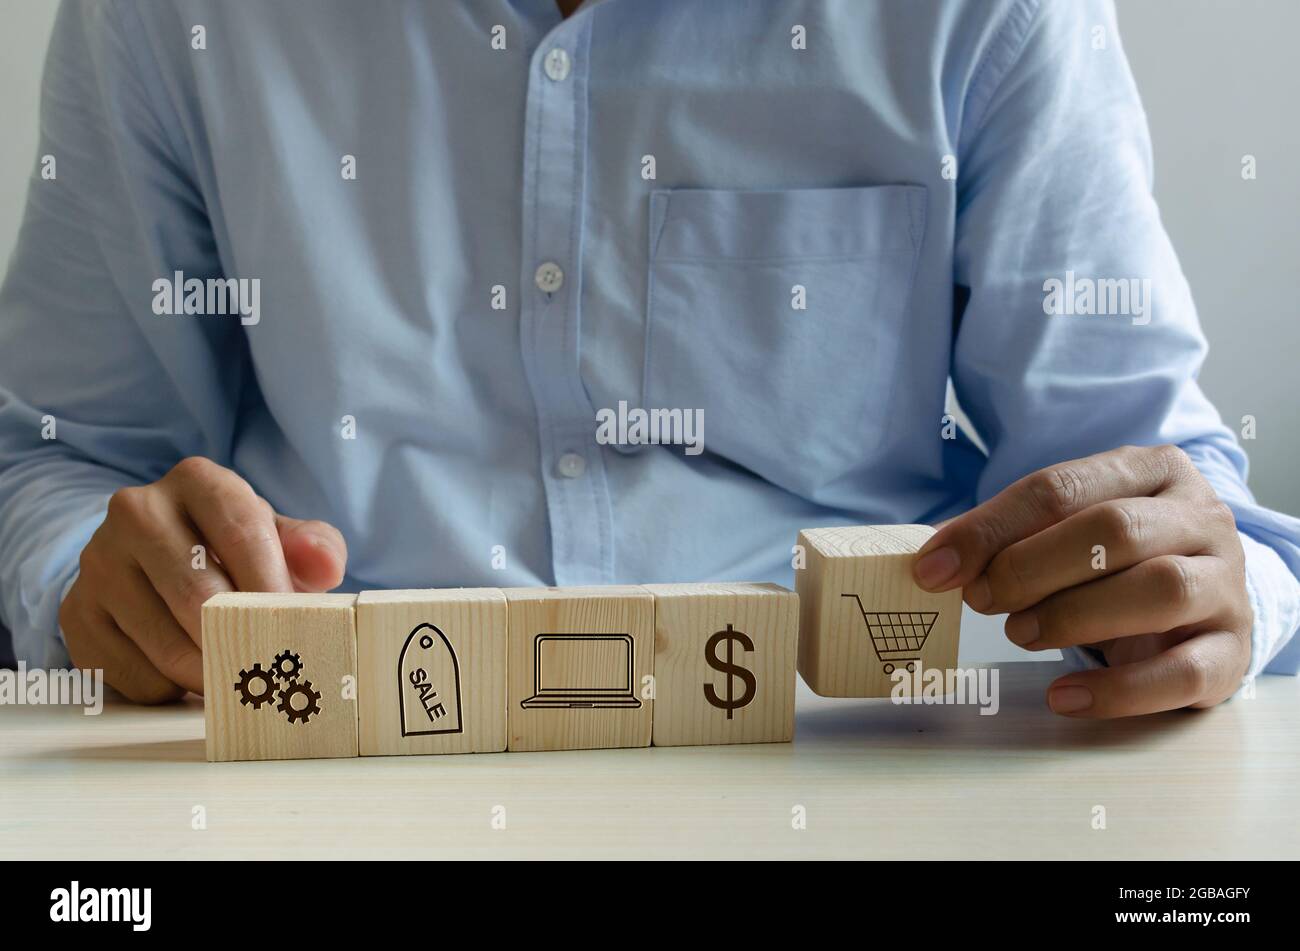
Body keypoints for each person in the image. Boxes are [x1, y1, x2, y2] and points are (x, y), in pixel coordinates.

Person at [1, 0, 1296, 717]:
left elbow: (1162, 493)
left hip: (855, 761)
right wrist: (92, 585)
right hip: (329, 746)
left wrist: (1213, 580)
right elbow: (62, 457)